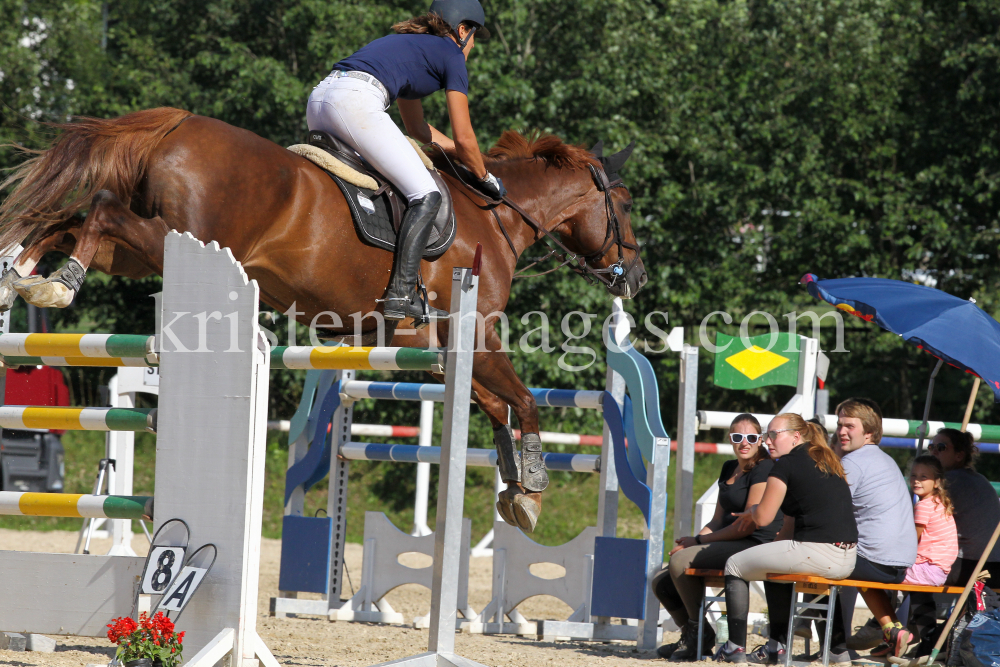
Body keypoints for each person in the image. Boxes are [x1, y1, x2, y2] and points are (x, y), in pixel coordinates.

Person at [306, 0, 504, 322]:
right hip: (356, 103)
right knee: (426, 194)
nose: (472, 49)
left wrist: (466, 155)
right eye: (475, 38)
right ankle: (401, 294)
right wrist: (485, 176)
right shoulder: (451, 54)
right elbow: (466, 138)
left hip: (320, 99)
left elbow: (417, 130)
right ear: (463, 30)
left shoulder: (410, 47)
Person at [716, 413, 858, 664]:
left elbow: (763, 518)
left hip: (821, 552)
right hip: (847, 556)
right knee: (773, 562)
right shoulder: (824, 457)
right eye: (767, 435)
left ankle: (734, 647)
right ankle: (784, 648)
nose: (768, 441)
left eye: (774, 434)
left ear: (796, 436)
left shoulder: (786, 464)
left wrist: (752, 511)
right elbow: (791, 522)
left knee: (734, 565)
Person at [653, 414, 784, 660]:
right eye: (737, 437)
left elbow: (746, 525)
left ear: (760, 440)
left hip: (754, 542)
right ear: (730, 439)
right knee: (661, 579)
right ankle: (695, 635)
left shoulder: (765, 467)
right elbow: (716, 521)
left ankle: (698, 637)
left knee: (680, 563)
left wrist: (699, 543)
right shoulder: (728, 467)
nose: (744, 443)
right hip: (730, 539)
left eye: (751, 437)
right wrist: (692, 540)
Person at [829, 398, 918, 659]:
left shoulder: (853, 463)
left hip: (877, 560)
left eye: (849, 426)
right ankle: (892, 629)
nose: (841, 431)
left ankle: (835, 648)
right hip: (900, 563)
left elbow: (828, 511)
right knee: (852, 564)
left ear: (869, 432)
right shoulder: (885, 460)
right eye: (839, 425)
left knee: (818, 562)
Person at [903, 455, 958, 586]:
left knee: (882, 572)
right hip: (939, 571)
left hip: (926, 569)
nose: (917, 481)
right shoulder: (938, 502)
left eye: (923, 477)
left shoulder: (924, 506)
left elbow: (911, 539)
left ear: (937, 482)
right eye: (913, 476)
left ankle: (884, 607)